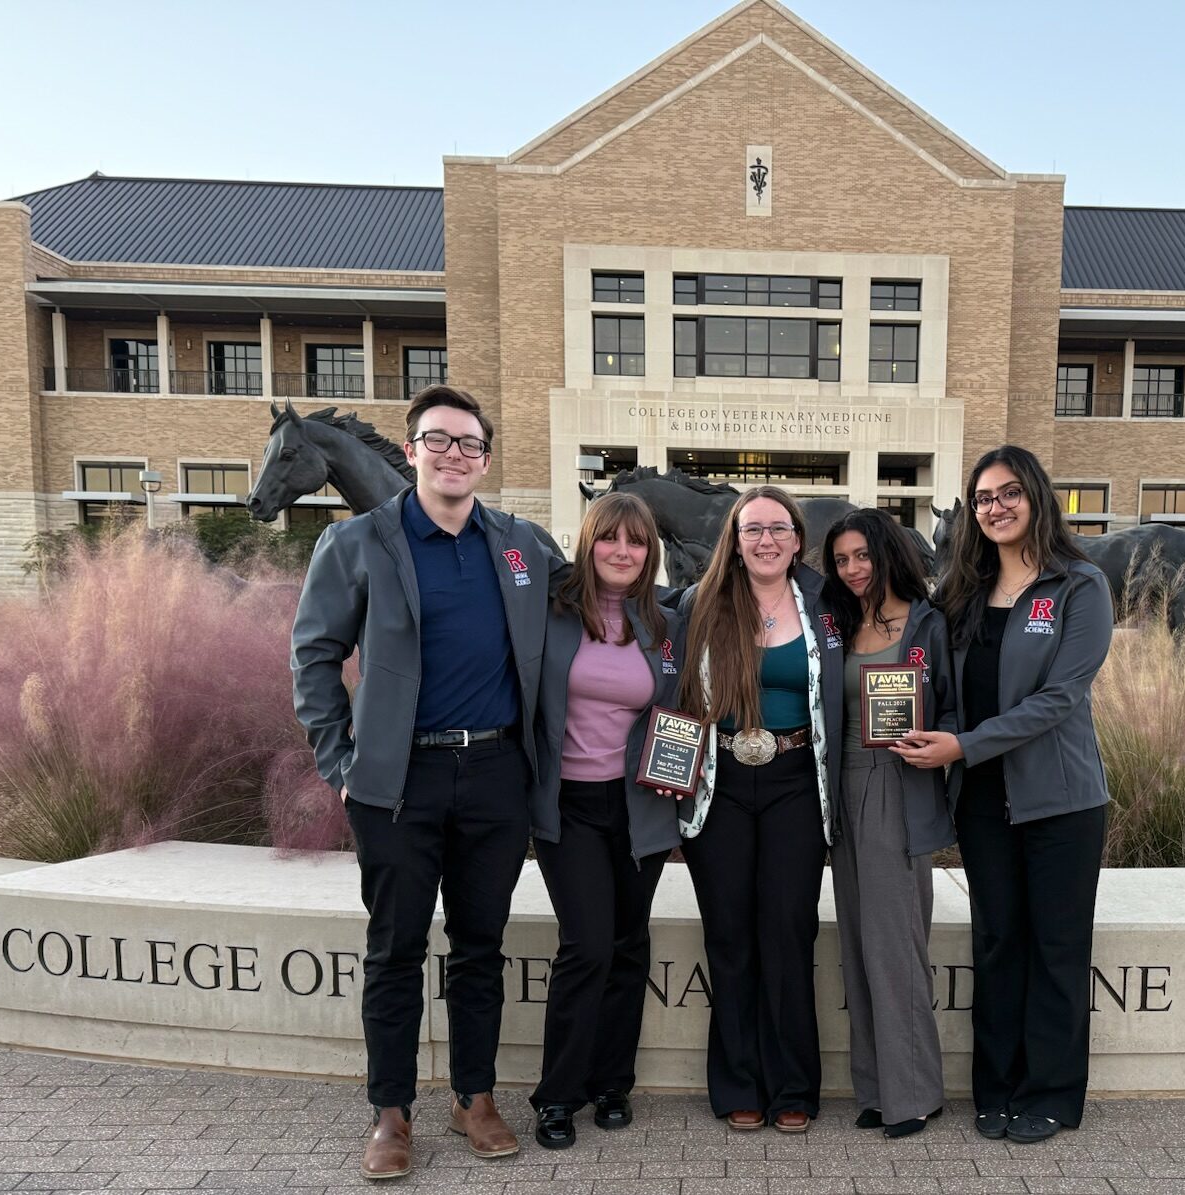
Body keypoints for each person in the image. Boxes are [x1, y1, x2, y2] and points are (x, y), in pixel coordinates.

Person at [292, 384, 564, 1180]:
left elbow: (602, 601)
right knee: (394, 949)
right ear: (410, 450)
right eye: (438, 440)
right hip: (397, 780)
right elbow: (313, 656)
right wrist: (340, 762)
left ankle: (474, 1095)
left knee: (481, 947)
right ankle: (391, 1110)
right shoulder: (359, 543)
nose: (454, 454)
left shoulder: (520, 546)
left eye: (469, 443)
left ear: (485, 457)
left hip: (495, 774)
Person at [896, 444, 1113, 1145]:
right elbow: (949, 692)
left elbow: (1059, 698)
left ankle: (1049, 1093)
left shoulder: (1078, 586)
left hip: (1061, 799)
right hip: (984, 801)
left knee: (1054, 947)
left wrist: (964, 744)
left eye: (1009, 492)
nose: (996, 506)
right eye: (984, 497)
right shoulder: (961, 592)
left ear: (1037, 497)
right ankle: (994, 1087)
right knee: (997, 943)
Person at [673, 485, 843, 1133]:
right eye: (752, 529)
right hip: (721, 782)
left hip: (798, 780)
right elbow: (670, 683)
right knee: (730, 935)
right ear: (735, 541)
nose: (766, 539)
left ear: (798, 539)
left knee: (789, 930)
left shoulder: (828, 606)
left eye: (778, 528)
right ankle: (740, 1081)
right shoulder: (700, 604)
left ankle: (795, 1084)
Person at [526, 491, 679, 1150]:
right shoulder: (552, 614)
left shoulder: (663, 624)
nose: (622, 551)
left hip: (639, 804)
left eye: (636, 542)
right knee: (585, 944)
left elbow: (682, 711)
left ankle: (614, 1082)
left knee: (627, 943)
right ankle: (558, 1094)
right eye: (610, 538)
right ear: (589, 542)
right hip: (569, 806)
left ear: (650, 554)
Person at [820, 509, 957, 1139]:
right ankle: (875, 1089)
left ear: (888, 554)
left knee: (897, 945)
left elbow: (957, 708)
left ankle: (914, 1095)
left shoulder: (928, 624)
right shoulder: (837, 623)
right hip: (838, 789)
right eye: (842, 559)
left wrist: (944, 742)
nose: (852, 570)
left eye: (862, 557)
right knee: (856, 943)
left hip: (897, 784)